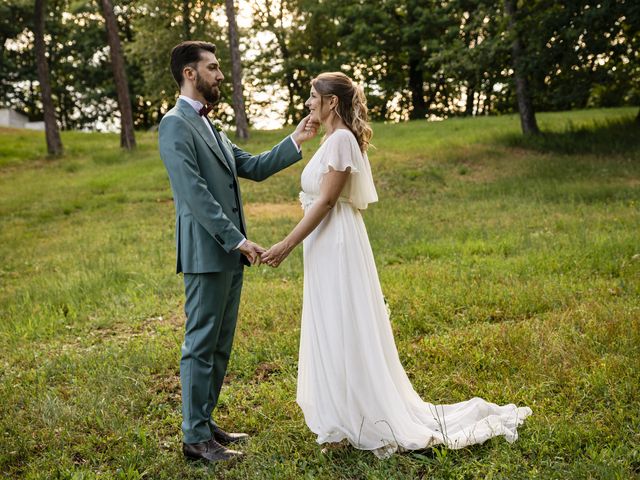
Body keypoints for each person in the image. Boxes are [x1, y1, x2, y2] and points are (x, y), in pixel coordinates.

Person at [261, 72, 532, 458]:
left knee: (343, 325)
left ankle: (358, 418)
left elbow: (324, 202)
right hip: (324, 244)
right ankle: (340, 420)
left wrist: (285, 244)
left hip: (336, 242)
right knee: (331, 325)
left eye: (312, 96)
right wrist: (301, 139)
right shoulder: (330, 139)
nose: (307, 102)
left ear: (331, 102)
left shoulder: (340, 140)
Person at [158, 41, 317, 463]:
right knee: (200, 343)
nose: (219, 75)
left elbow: (254, 167)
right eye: (212, 68)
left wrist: (296, 138)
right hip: (207, 252)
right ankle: (194, 439)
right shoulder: (175, 124)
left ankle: (205, 422)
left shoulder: (212, 127)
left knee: (220, 344)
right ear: (189, 73)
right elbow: (193, 194)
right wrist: (238, 239)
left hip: (228, 253)